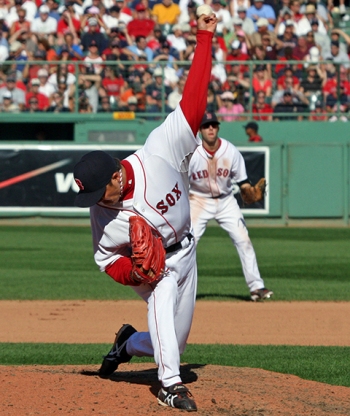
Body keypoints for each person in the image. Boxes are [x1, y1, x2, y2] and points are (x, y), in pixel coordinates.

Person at [72, 13, 218, 412]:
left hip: (187, 251)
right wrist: (136, 272)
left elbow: (193, 102)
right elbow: (106, 261)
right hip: (157, 269)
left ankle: (126, 342)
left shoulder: (158, 151)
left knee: (170, 339)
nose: (99, 202)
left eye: (102, 191)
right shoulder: (101, 217)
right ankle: (169, 386)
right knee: (161, 297)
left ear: (117, 175)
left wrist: (204, 38)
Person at [188, 112, 273, 301]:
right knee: (187, 245)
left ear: (218, 127)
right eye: (206, 126)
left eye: (213, 125)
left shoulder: (230, 151)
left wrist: (250, 193)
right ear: (200, 129)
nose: (210, 128)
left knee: (244, 240)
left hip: (226, 200)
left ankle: (257, 287)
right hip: (198, 200)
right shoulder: (192, 152)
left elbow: (243, 182)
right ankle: (182, 290)